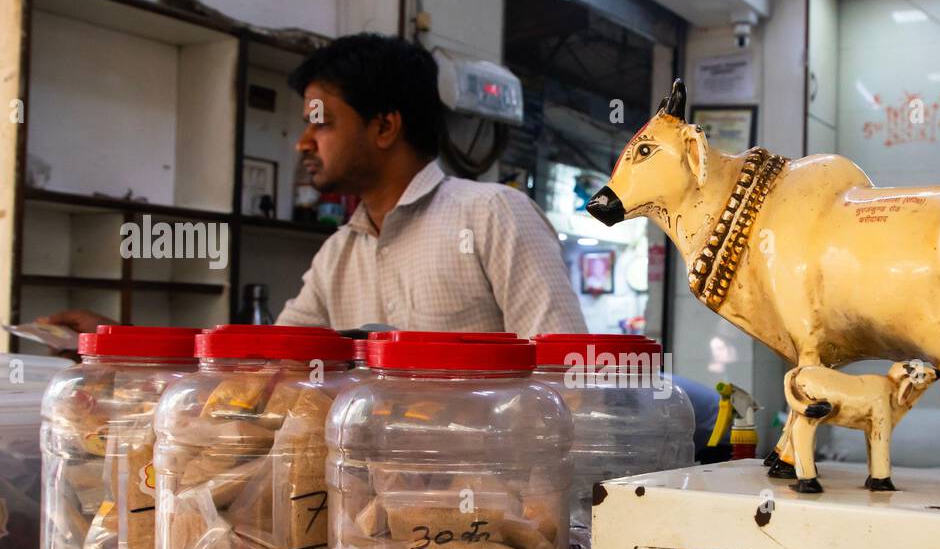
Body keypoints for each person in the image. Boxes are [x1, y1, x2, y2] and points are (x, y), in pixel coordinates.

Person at [40, 33, 585, 337]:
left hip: (486, 513)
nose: (302, 141)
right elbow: (272, 365)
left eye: (321, 122)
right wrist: (115, 340)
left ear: (384, 126)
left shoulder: (493, 215)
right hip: (369, 511)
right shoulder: (338, 255)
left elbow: (569, 377)